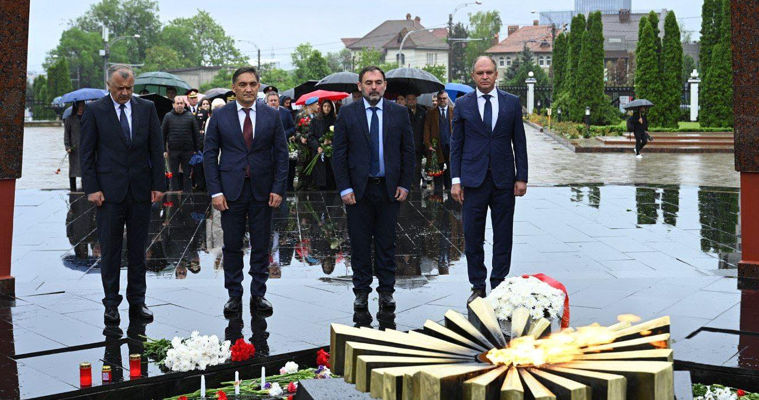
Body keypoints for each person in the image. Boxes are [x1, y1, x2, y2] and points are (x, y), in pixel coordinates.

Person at [80, 64, 166, 324]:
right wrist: (92, 188)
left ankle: (138, 302)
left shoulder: (147, 108)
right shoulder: (95, 111)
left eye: (129, 88)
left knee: (139, 250)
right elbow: (87, 153)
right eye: (120, 88)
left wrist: (158, 184)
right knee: (111, 250)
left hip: (140, 191)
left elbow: (156, 149)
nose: (125, 93)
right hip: (108, 193)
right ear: (109, 85)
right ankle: (111, 304)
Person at [203, 66, 289, 317]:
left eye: (252, 84)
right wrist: (215, 192)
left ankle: (259, 293)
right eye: (243, 84)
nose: (248, 89)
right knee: (231, 245)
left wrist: (278, 188)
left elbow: (282, 155)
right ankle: (234, 294)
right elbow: (210, 155)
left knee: (261, 244)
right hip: (231, 191)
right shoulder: (220, 116)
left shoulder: (271, 115)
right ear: (234, 88)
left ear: (258, 86)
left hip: (263, 190)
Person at [331, 65, 415, 311]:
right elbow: (339, 154)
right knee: (359, 243)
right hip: (358, 191)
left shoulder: (399, 113)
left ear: (385, 85)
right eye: (368, 83)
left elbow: (408, 152)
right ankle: (361, 291)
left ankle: (386, 291)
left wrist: (404, 184)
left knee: (386, 243)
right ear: (360, 86)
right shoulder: (348, 113)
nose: (374, 87)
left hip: (389, 189)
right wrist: (344, 188)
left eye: (378, 82)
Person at [450, 56, 528, 304]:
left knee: (503, 234)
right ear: (473, 76)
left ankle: (499, 282)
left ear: (496, 74)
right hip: (473, 180)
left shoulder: (511, 103)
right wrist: (455, 180)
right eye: (480, 73)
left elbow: (519, 142)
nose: (485, 76)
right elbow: (456, 144)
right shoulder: (462, 104)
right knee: (473, 235)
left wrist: (522, 177)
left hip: (504, 180)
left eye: (489, 72)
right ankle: (477, 285)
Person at [162, 96, 201, 192]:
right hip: (173, 151)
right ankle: (174, 195)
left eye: (181, 103)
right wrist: (163, 150)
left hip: (188, 151)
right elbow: (163, 134)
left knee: (187, 175)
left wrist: (197, 149)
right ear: (173, 105)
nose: (179, 105)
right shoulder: (168, 116)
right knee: (173, 174)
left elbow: (196, 134)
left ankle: (188, 196)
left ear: (184, 104)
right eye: (177, 103)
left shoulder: (190, 116)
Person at [264, 93, 297, 191]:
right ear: (267, 102)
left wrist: (283, 134)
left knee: (282, 167)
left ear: (279, 102)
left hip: (282, 146)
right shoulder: (262, 113)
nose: (273, 102)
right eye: (271, 100)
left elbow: (293, 128)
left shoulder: (286, 112)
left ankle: (284, 188)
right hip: (267, 147)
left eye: (275, 100)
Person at [424, 90, 453, 193]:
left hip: (451, 147)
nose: (442, 100)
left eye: (444, 98)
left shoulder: (454, 111)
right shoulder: (431, 112)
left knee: (450, 174)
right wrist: (428, 144)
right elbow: (426, 129)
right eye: (440, 99)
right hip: (436, 147)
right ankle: (438, 196)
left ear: (447, 99)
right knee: (437, 175)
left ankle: (450, 197)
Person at [308, 99, 337, 190]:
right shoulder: (315, 120)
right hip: (319, 150)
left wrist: (331, 141)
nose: (327, 108)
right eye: (325, 106)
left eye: (329, 106)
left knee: (332, 173)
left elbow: (340, 135)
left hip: (332, 150)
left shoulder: (335, 120)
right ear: (321, 107)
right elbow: (311, 136)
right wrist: (318, 147)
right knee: (320, 175)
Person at [405, 93, 427, 190]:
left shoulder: (422, 111)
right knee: (407, 168)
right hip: (406, 145)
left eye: (413, 99)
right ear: (406, 100)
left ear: (416, 100)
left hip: (419, 145)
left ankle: (416, 189)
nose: (411, 101)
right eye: (409, 99)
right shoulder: (402, 111)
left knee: (417, 168)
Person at [64, 101, 85, 192]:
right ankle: (73, 189)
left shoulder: (88, 117)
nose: (81, 108)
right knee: (73, 169)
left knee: (86, 168)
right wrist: (67, 146)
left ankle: (85, 188)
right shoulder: (69, 119)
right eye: (79, 106)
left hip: (86, 147)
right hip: (74, 149)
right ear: (75, 107)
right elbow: (66, 134)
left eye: (82, 106)